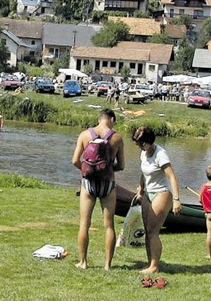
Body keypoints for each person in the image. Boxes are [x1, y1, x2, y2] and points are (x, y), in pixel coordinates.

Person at [71, 108, 125, 270]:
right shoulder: (117, 138)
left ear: (100, 118)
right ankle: (107, 265)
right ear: (112, 120)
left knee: (84, 224)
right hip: (108, 184)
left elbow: (75, 160)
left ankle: (83, 262)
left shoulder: (84, 135)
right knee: (109, 225)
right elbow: (121, 166)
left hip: (88, 183)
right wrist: (106, 169)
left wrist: (87, 170)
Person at [132, 125, 182, 274]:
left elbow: (172, 176)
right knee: (147, 230)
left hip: (162, 193)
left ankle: (154, 266)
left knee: (153, 231)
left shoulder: (161, 154)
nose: (138, 145)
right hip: (148, 193)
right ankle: (150, 264)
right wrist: (140, 189)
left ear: (148, 141)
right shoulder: (143, 153)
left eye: (140, 143)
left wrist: (177, 199)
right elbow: (144, 173)